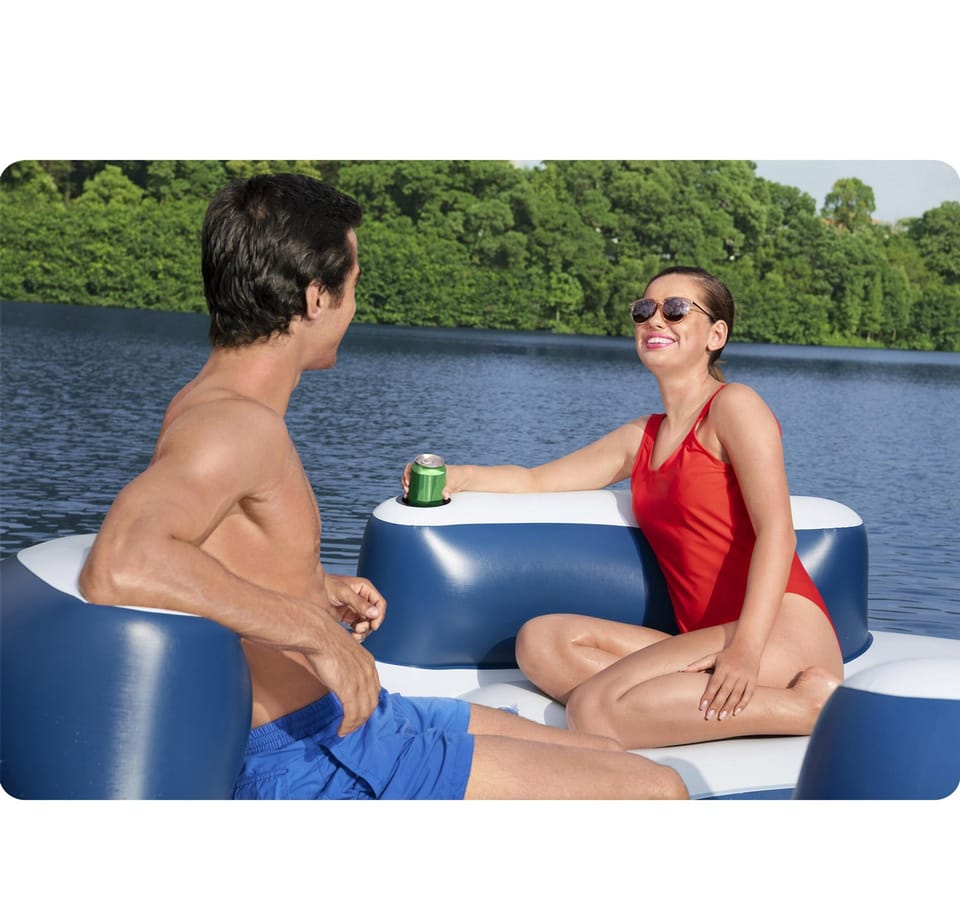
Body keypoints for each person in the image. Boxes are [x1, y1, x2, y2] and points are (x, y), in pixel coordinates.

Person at [78, 173, 687, 800]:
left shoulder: (213, 404)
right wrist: (314, 631)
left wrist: (313, 587)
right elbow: (125, 559)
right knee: (659, 791)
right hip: (313, 757)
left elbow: (216, 550)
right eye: (354, 284)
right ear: (316, 298)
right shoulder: (232, 425)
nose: (354, 306)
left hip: (348, 722)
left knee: (605, 751)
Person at [402, 266, 844, 750]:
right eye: (644, 310)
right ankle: (662, 706)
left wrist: (746, 650)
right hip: (704, 635)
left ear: (716, 335)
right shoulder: (642, 437)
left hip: (778, 632)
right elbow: (537, 480)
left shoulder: (734, 406)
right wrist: (458, 476)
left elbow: (778, 531)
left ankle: (810, 706)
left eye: (676, 310)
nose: (655, 320)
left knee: (593, 710)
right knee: (541, 642)